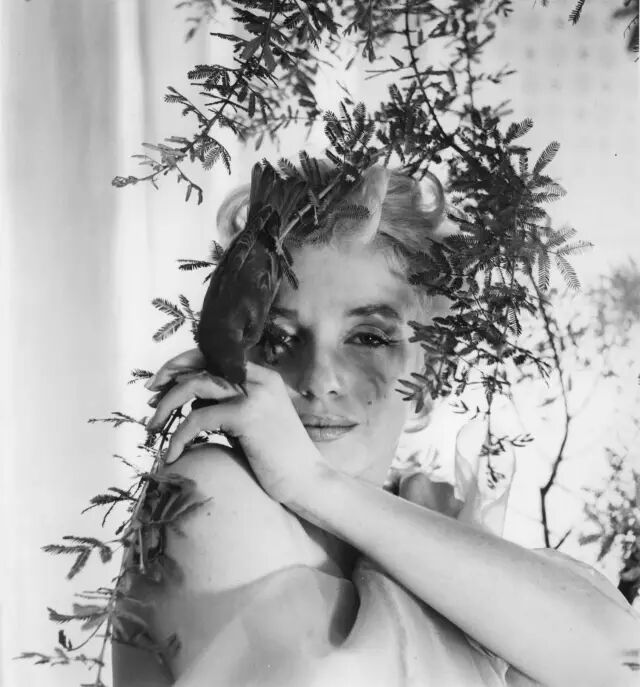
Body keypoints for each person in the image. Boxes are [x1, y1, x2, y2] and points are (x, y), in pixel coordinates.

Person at [112, 161, 640, 687]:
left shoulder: (429, 526)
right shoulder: (206, 490)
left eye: (368, 337)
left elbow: (621, 665)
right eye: (278, 337)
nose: (319, 379)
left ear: (430, 373)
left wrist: (316, 484)